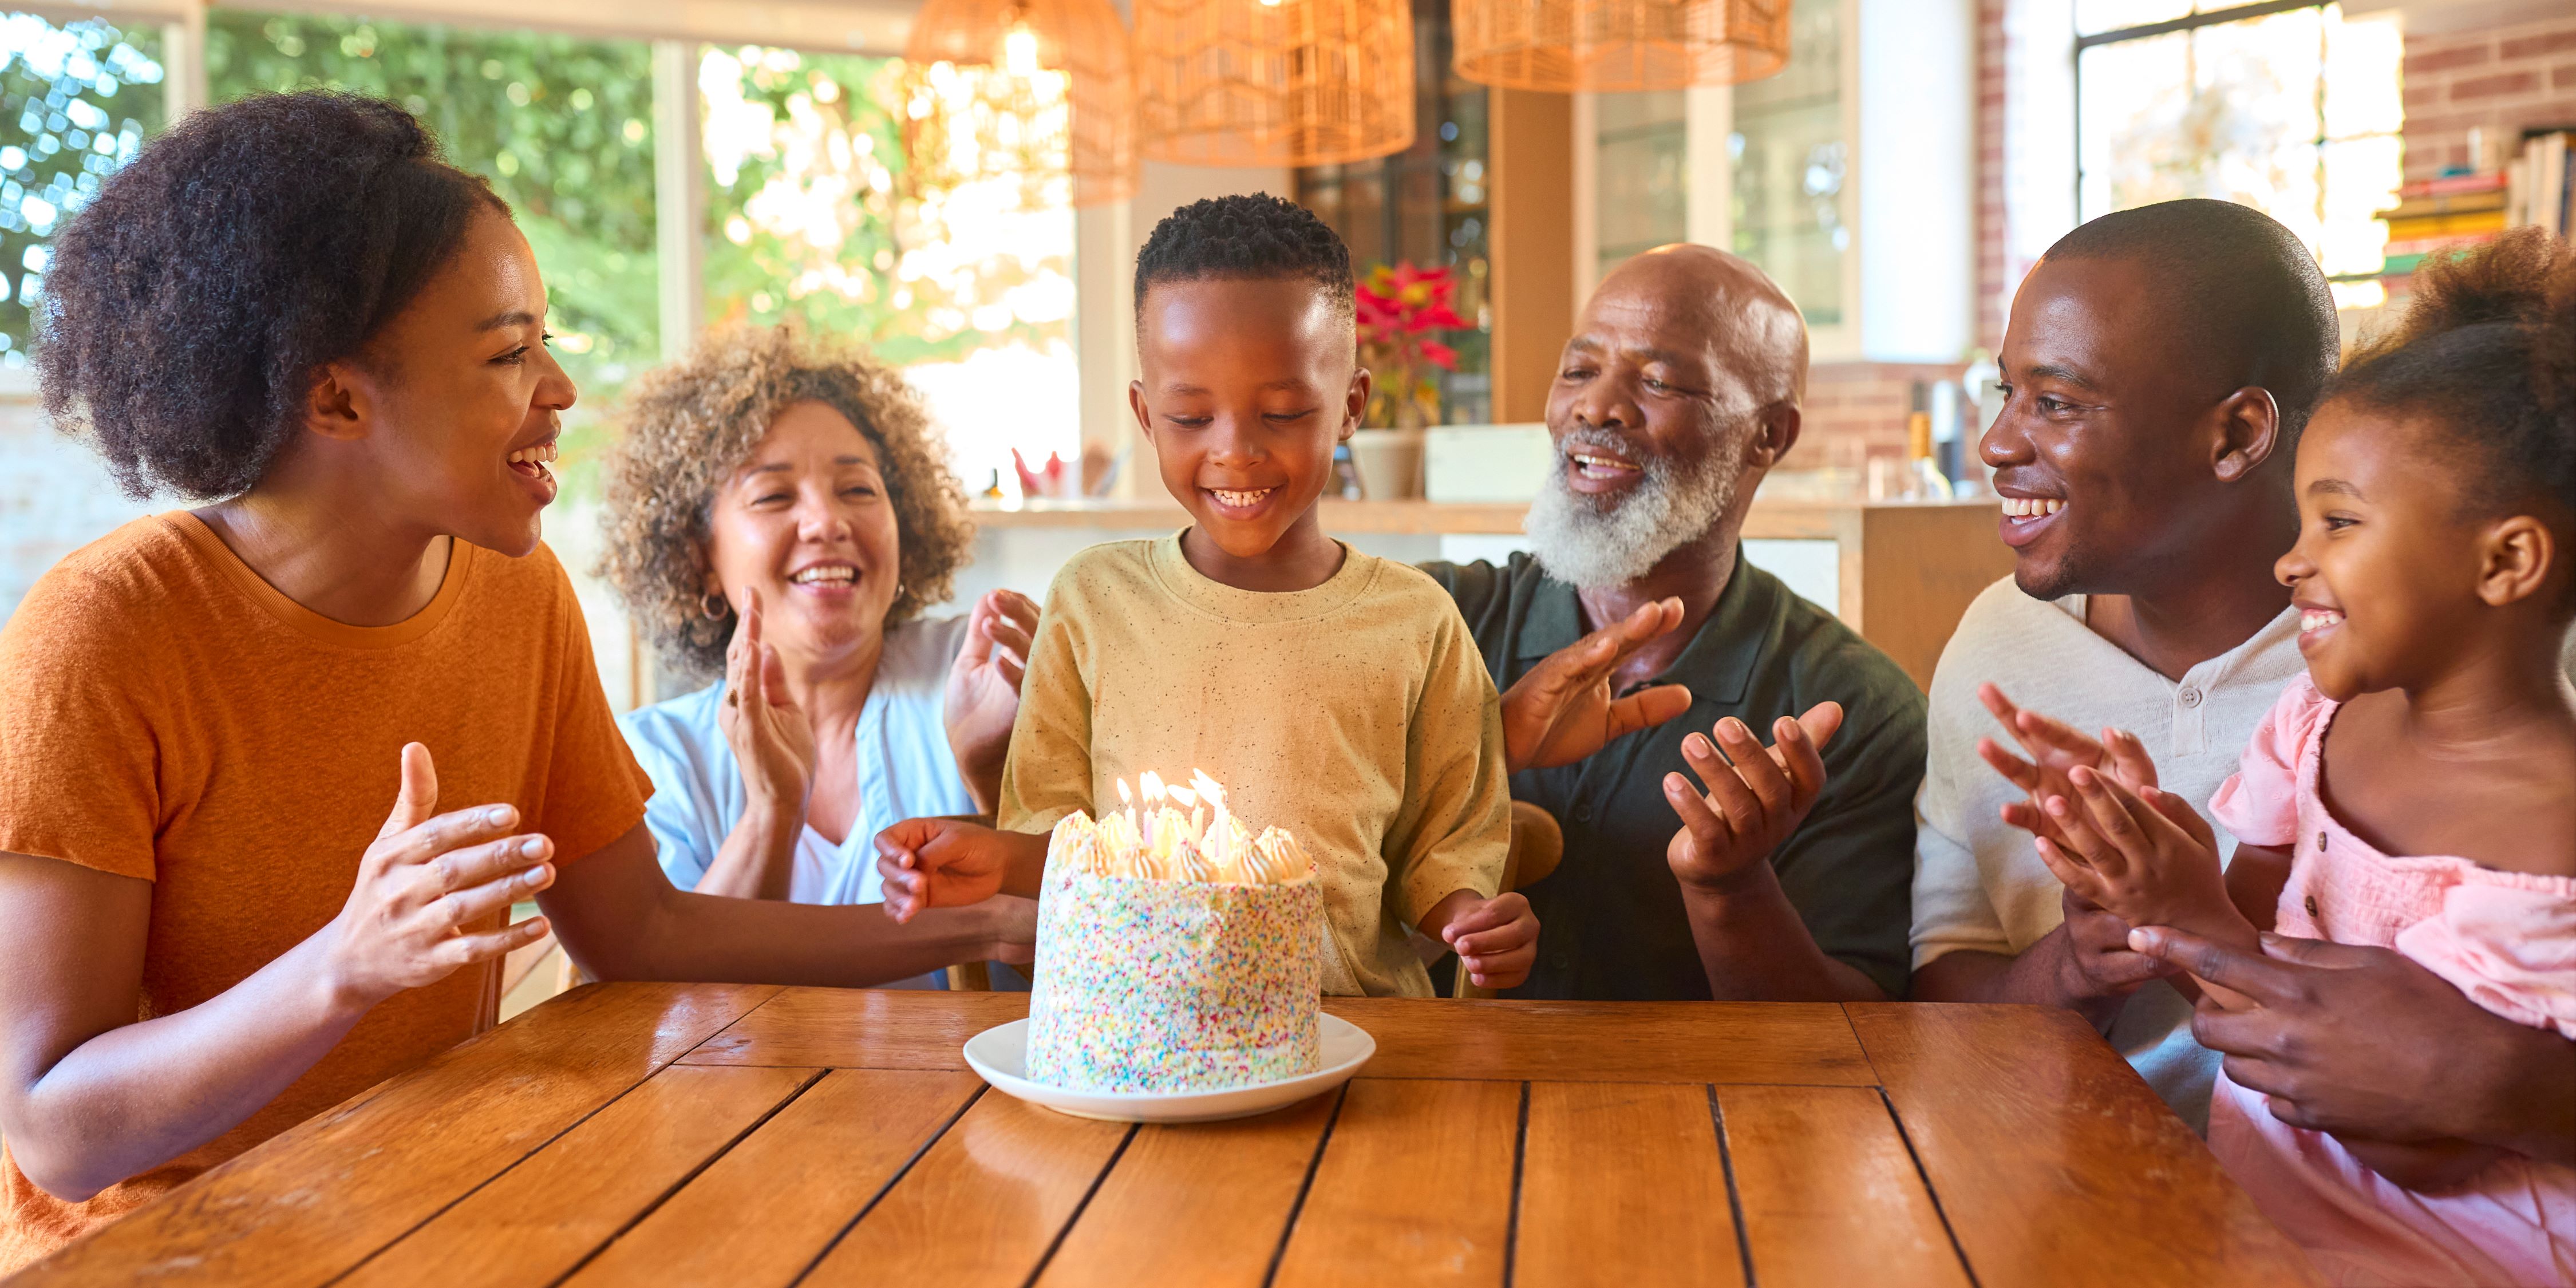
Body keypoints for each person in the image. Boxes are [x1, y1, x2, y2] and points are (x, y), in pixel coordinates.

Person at [0, 93, 1024, 1272]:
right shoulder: (103, 635)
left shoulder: (514, 597)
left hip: (437, 1209)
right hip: (169, 1249)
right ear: (336, 398)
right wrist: (344, 965)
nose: (560, 389)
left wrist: (999, 920)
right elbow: (56, 1132)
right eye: (506, 352)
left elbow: (645, 930)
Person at [2024, 230, 2572, 1286]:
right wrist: (2161, 891)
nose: (2292, 560)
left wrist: (2193, 928)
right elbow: (2242, 962)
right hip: (2257, 1222)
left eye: (2339, 524)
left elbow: (2409, 1133)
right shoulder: (2315, 726)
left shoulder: (2553, 836)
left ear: (2505, 561)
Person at [876, 193, 1539, 995]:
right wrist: (991, 857)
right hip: (1142, 1047)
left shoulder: (1415, 621)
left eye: (1285, 411)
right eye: (1191, 416)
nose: (1236, 450)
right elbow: (1071, 852)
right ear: (1146, 416)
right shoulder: (1092, 602)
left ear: (1351, 408)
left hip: (1355, 1042)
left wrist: (1472, 916)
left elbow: (1447, 844)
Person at [1419, 244, 1927, 1001]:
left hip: (1704, 1118)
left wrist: (1731, 887)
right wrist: (1487, 746)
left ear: (1770, 434)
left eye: (1657, 380)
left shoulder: (1850, 708)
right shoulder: (1430, 624)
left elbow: (1857, 1041)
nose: (1596, 409)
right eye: (1579, 371)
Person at [600, 325, 1041, 917]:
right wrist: (771, 812)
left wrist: (995, 773)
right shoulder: (655, 759)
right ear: (698, 557)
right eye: (774, 497)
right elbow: (662, 1000)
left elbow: (1080, 952)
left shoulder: (980, 673)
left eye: (857, 489)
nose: (825, 521)